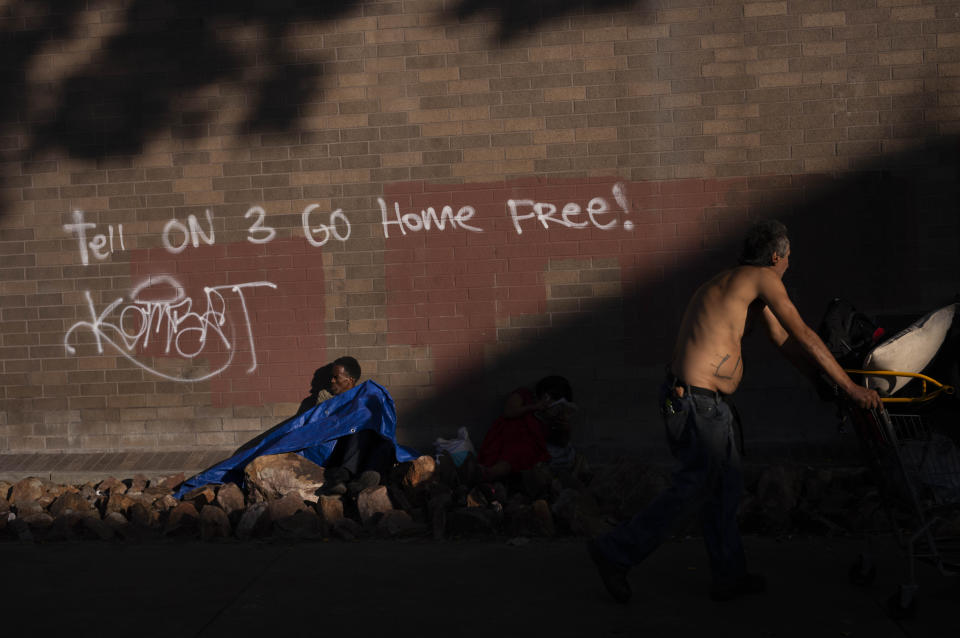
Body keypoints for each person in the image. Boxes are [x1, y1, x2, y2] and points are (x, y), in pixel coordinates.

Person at [587, 220, 881, 604]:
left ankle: (728, 575)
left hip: (701, 403)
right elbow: (804, 334)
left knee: (724, 489)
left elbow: (783, 342)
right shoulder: (763, 279)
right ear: (776, 256)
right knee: (694, 487)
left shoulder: (733, 283)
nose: (789, 265)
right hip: (696, 402)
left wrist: (820, 382)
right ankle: (615, 552)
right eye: (788, 258)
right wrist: (852, 388)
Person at [477, 375, 576, 482]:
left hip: (529, 442)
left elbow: (559, 442)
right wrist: (535, 407)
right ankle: (489, 472)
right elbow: (508, 412)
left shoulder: (549, 418)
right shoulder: (524, 395)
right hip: (509, 432)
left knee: (524, 452)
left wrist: (565, 428)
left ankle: (491, 473)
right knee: (513, 450)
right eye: (551, 396)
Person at [320, 356, 397, 484]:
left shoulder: (366, 396)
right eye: (332, 377)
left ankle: (366, 478)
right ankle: (346, 473)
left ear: (349, 380)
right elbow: (320, 423)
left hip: (363, 444)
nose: (332, 381)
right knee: (359, 430)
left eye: (336, 377)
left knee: (384, 443)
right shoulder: (325, 396)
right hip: (339, 442)